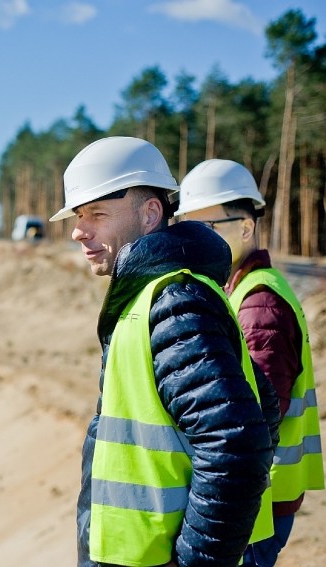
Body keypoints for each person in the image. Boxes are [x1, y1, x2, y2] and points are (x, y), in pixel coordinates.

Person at [49, 137, 277, 567]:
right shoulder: (151, 296)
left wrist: (197, 559)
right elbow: (262, 405)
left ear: (151, 213)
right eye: (79, 216)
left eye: (97, 214)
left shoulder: (174, 301)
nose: (80, 230)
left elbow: (237, 447)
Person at [176, 159, 325, 566]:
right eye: (189, 228)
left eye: (208, 228)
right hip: (258, 494)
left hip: (258, 501)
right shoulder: (239, 289)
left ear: (245, 226)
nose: (196, 240)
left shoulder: (260, 303)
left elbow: (256, 419)